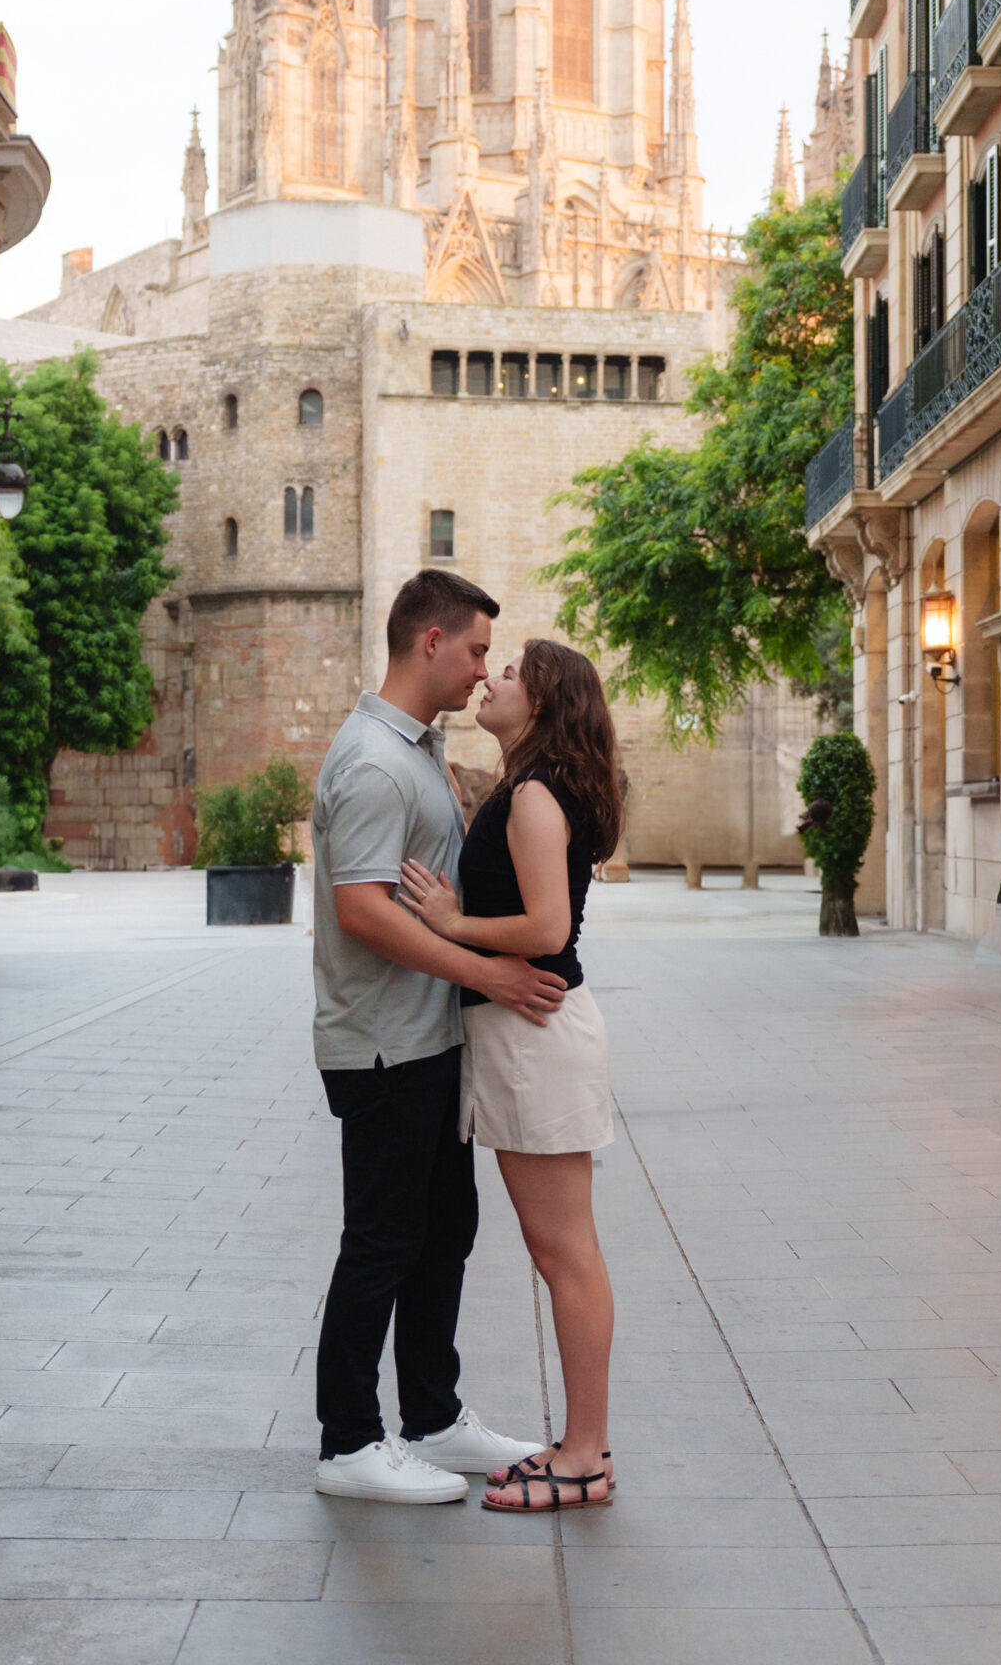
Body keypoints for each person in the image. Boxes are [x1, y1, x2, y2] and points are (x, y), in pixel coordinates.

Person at [310, 568, 558, 1505]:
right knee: (380, 1240)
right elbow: (363, 913)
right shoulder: (374, 760)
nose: (481, 669)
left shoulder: (412, 748)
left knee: (442, 1232)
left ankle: (433, 1418)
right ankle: (347, 1442)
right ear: (429, 642)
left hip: (425, 1041)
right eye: (477, 651)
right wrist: (489, 972)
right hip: (381, 1045)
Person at [400, 637, 621, 1512]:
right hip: (525, 1039)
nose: (490, 680)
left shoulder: (533, 794)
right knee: (558, 1250)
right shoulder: (530, 786)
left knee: (565, 1253)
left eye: (509, 673)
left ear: (542, 701)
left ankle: (586, 1455)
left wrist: (450, 923)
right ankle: (582, 1447)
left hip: (536, 1036)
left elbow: (544, 928)